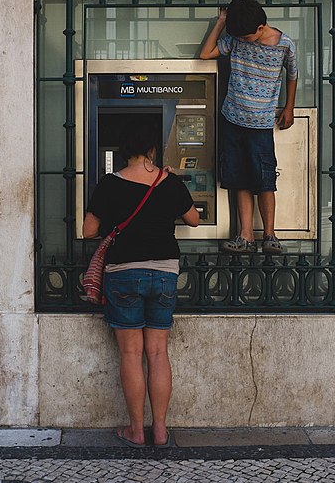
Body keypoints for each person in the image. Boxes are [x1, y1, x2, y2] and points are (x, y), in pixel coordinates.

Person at [82, 120, 199, 448]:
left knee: (132, 353)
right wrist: (168, 183)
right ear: (152, 149)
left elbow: (89, 230)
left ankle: (136, 430)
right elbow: (194, 219)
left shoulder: (109, 183)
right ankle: (160, 430)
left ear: (122, 149)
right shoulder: (170, 182)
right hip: (164, 273)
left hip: (124, 273)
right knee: (158, 353)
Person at [200, 0, 298, 254]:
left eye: (247, 37)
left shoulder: (284, 44)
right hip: (233, 119)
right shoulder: (235, 38)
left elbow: (292, 74)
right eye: (239, 37)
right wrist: (221, 22)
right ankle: (245, 236)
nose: (243, 41)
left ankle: (270, 235)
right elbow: (206, 53)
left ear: (260, 27)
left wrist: (289, 107)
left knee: (265, 181)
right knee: (239, 179)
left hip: (262, 124)